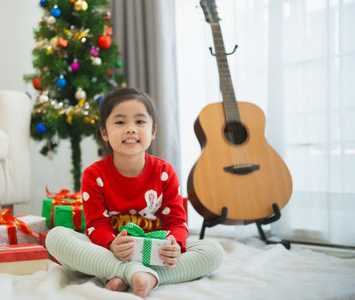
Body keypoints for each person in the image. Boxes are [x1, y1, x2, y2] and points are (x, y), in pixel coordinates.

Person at [46, 87, 223, 298]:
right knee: (55, 237)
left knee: (213, 251)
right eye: (120, 122)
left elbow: (176, 222)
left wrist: (174, 245)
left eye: (140, 122)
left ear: (153, 131)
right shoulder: (94, 175)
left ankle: (143, 276)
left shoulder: (164, 172)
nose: (130, 129)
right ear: (104, 132)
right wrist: (112, 244)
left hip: (156, 252)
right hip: (114, 252)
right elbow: (96, 225)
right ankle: (129, 272)